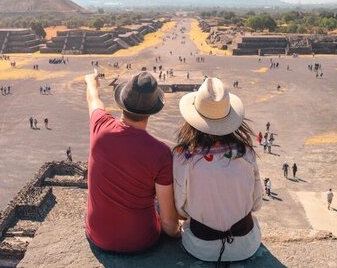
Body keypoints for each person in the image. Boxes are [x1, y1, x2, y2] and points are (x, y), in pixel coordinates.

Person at [84, 70, 180, 253]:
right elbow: (168, 223)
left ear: (121, 105)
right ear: (152, 111)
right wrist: (178, 233)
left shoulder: (100, 126)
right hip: (142, 240)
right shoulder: (160, 153)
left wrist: (91, 81)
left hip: (98, 235)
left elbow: (93, 99)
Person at [173, 77, 263, 263]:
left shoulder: (184, 158)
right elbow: (257, 204)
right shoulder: (245, 153)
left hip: (200, 246)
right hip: (246, 244)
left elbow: (179, 206)